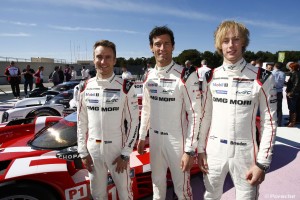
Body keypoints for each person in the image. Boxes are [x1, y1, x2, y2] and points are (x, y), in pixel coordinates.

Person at [198, 21, 277, 200]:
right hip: (214, 152)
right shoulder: (210, 76)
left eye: (236, 39)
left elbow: (270, 123)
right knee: (210, 196)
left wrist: (262, 163)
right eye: (225, 41)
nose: (231, 45)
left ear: (243, 42)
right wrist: (201, 149)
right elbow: (205, 116)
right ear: (219, 45)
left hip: (245, 154)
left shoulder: (262, 77)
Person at [137, 26, 201, 199]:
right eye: (158, 44)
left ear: (173, 46)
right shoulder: (148, 75)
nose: (162, 49)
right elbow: (147, 109)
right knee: (157, 184)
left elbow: (195, 114)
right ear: (151, 47)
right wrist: (142, 136)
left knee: (182, 189)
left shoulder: (186, 74)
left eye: (166, 44)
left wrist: (189, 150)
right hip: (155, 140)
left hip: (177, 141)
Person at [77, 40, 139, 199]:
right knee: (97, 194)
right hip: (93, 150)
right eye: (99, 57)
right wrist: (83, 152)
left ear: (114, 60)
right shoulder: (84, 87)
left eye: (108, 57)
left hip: (117, 150)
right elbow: (81, 122)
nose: (103, 61)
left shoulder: (125, 86)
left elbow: (134, 122)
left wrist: (126, 153)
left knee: (125, 193)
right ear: (93, 59)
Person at [285, 62, 300, 127]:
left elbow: (296, 85)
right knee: (292, 107)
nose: (289, 68)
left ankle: (292, 122)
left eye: (290, 67)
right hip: (292, 92)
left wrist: (291, 92)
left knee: (292, 108)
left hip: (293, 93)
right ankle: (291, 120)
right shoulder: (293, 73)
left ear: (293, 68)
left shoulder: (296, 74)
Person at [272, 62, 286, 127]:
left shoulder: (271, 73)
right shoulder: (283, 73)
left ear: (275, 66)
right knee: (279, 108)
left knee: (271, 107)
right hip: (279, 91)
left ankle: (272, 121)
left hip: (272, 91)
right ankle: (279, 122)